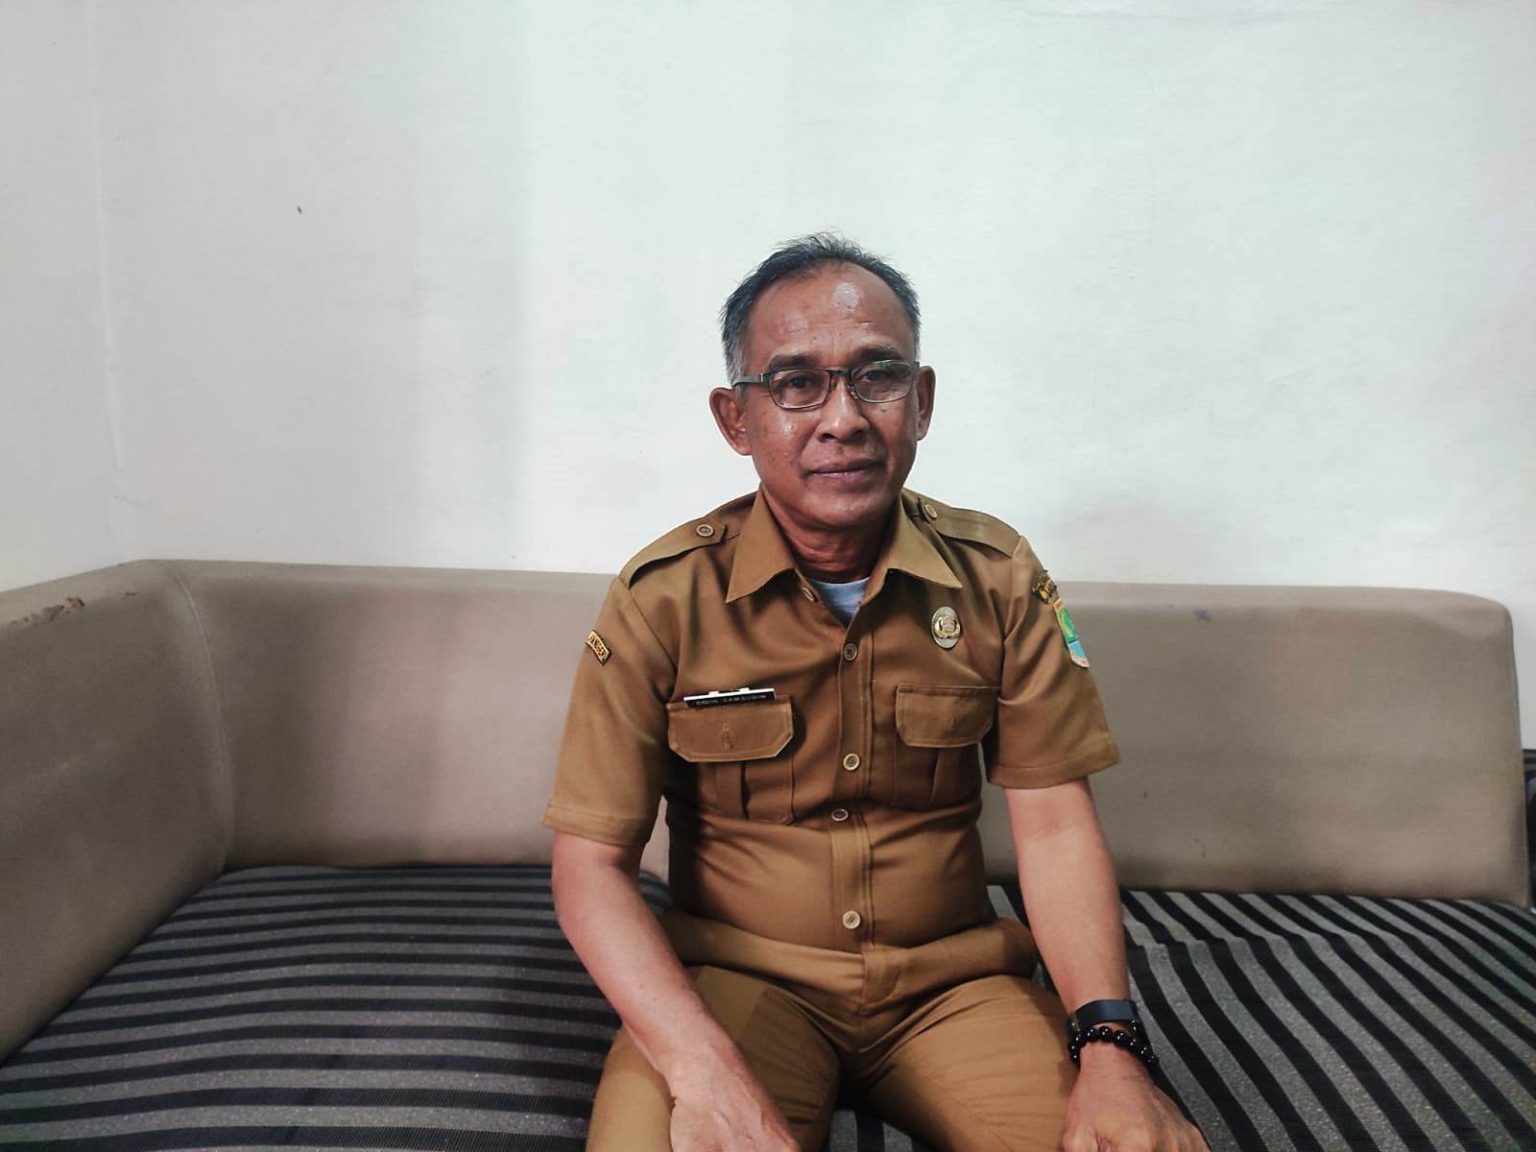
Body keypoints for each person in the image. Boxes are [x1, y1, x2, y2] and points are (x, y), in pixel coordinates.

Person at [542, 234, 1206, 1152]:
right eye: (796, 383)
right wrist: (703, 1069)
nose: (843, 419)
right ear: (737, 420)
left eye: (877, 376)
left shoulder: (997, 578)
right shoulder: (664, 597)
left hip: (952, 987)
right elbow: (590, 869)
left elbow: (1055, 825)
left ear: (921, 401)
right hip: (740, 985)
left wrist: (1110, 1046)